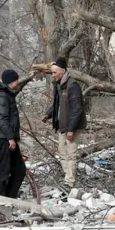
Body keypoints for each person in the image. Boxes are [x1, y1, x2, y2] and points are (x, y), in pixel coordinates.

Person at [42, 57, 87, 190]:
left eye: (55, 73)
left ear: (63, 71)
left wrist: (71, 129)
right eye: (52, 73)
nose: (53, 75)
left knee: (71, 154)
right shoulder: (58, 85)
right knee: (62, 153)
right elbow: (57, 104)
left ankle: (69, 182)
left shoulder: (72, 86)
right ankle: (68, 178)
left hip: (71, 126)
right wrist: (48, 114)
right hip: (62, 125)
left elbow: (77, 109)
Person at [0, 69, 26, 198]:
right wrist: (10, 138)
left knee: (19, 170)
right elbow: (1, 118)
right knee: (2, 172)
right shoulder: (2, 96)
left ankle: (9, 199)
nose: (18, 82)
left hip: (8, 138)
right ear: (12, 81)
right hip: (3, 139)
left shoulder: (6, 94)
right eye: (17, 79)